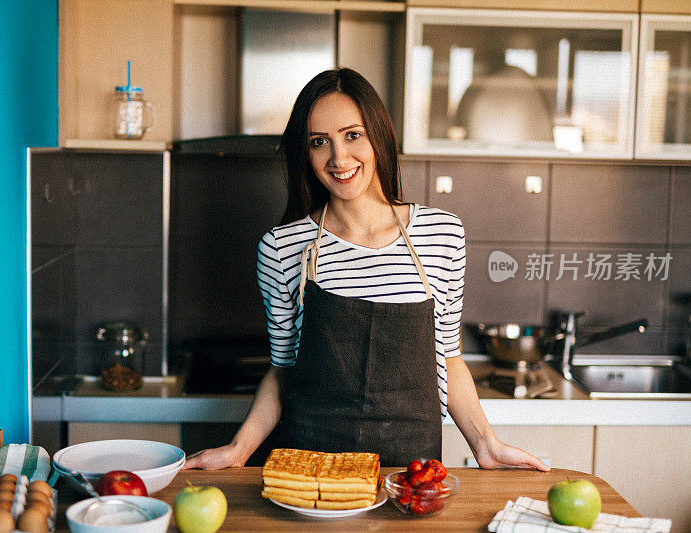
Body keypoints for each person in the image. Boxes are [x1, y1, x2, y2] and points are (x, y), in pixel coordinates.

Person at [185, 67, 549, 471]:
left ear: (377, 135)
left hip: (408, 472)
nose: (339, 158)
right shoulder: (282, 247)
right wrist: (239, 449)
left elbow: (446, 358)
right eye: (319, 142)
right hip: (311, 474)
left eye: (352, 135)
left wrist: (486, 444)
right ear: (305, 153)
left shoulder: (442, 234)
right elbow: (282, 372)